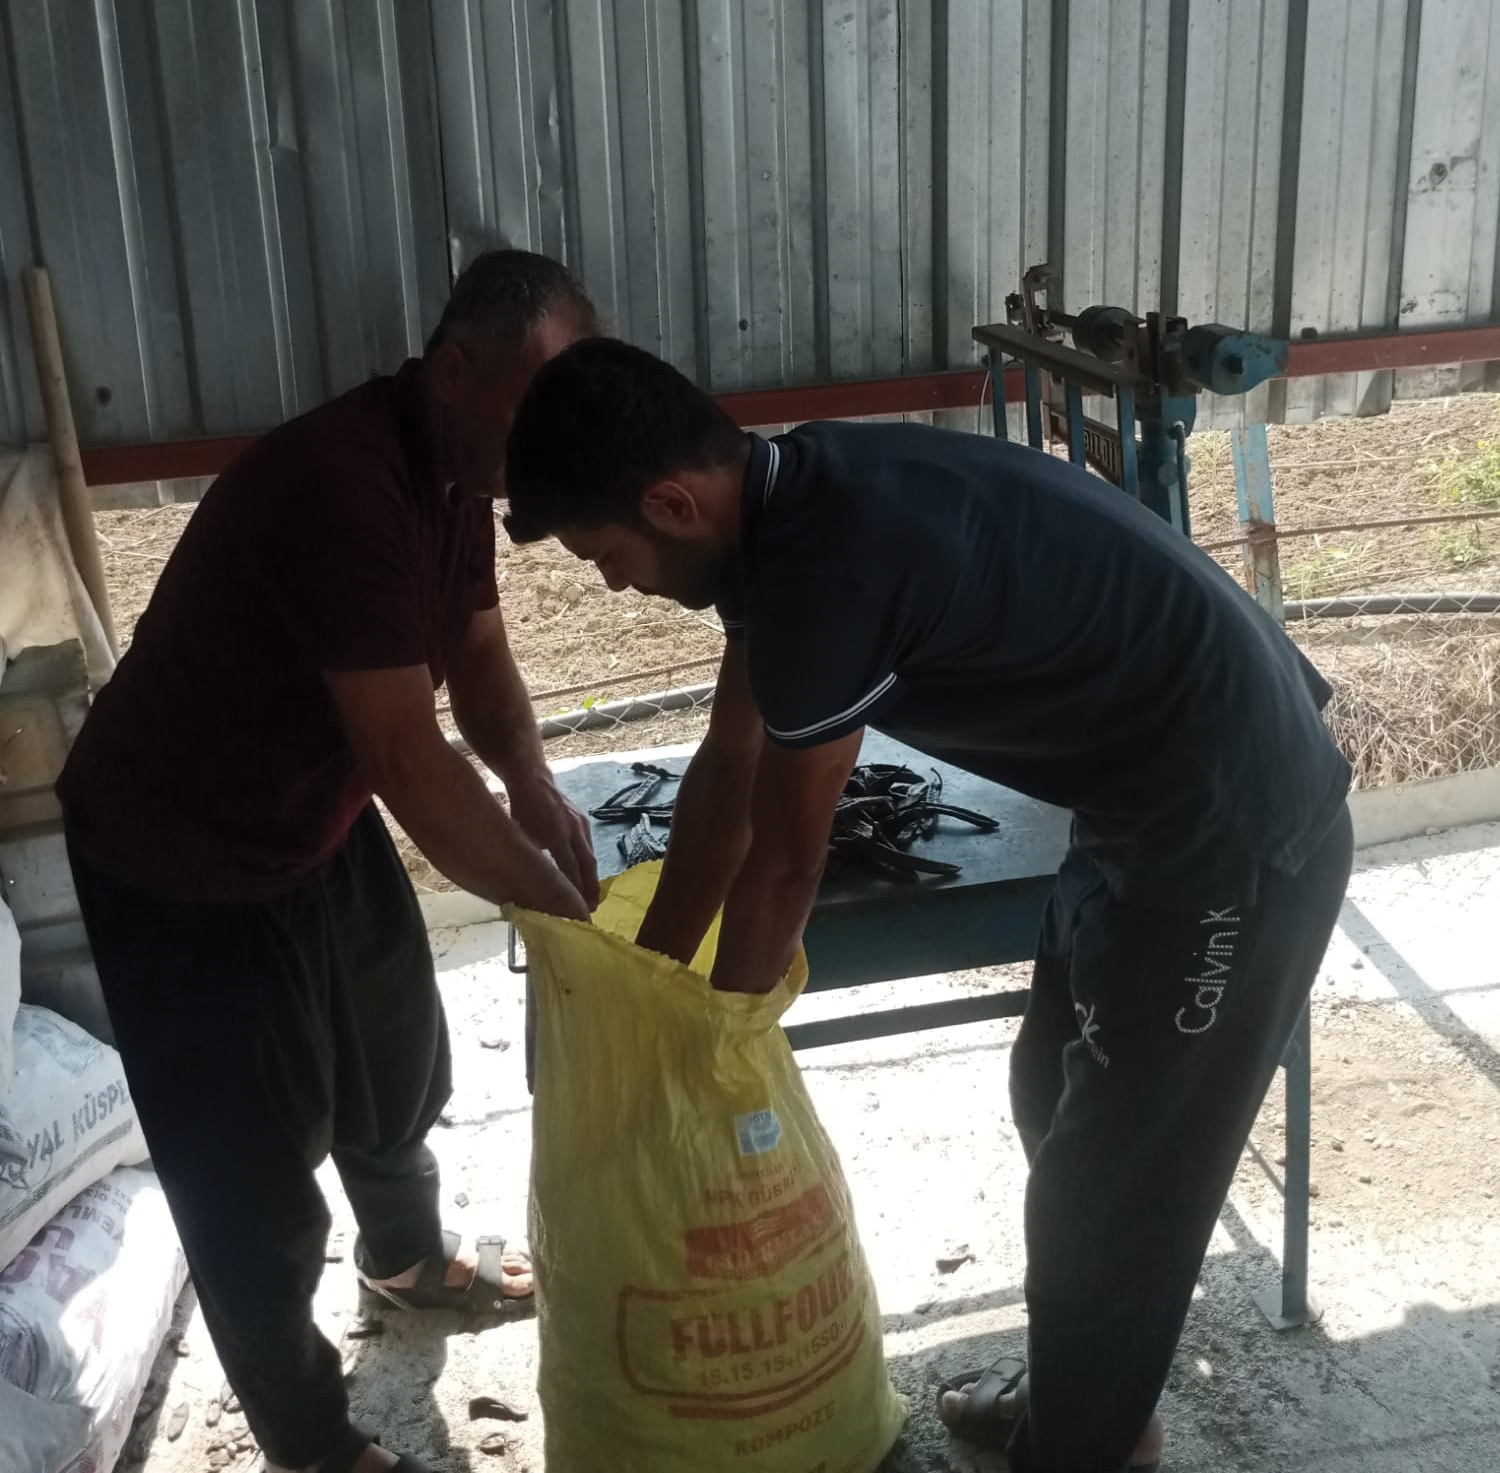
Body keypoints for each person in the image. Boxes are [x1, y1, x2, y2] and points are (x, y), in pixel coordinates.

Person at [502, 336, 1355, 1473]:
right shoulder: (788, 504)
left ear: (670, 502)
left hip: (1232, 834)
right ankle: (1093, 1406)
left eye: (606, 555)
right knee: (1053, 1095)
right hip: (1140, 806)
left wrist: (712, 1043)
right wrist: (656, 985)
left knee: (1117, 1186)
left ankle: (1088, 1448)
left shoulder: (825, 568)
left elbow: (784, 863)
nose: (616, 583)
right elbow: (728, 768)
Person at [59, 251, 602, 1473]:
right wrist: (550, 900)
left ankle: (402, 1257)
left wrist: (531, 779)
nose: (557, 440)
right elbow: (409, 755)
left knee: (396, 1056)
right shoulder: (341, 488)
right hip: (182, 847)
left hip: (316, 806)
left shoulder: (461, 471)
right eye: (540, 405)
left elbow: (478, 650)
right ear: (455, 370)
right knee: (249, 1181)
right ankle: (306, 1436)